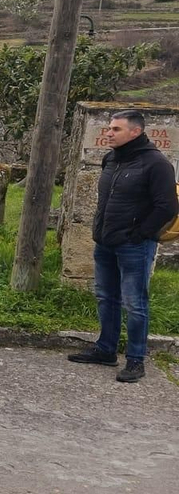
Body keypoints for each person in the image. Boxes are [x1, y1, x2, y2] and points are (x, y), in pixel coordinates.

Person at [70, 109, 179, 384]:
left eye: (116, 129)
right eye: (109, 128)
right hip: (105, 241)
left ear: (135, 132)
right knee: (106, 297)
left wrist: (139, 234)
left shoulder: (156, 164)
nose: (108, 133)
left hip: (135, 246)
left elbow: (167, 206)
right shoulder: (111, 159)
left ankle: (135, 359)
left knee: (134, 303)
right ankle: (106, 349)